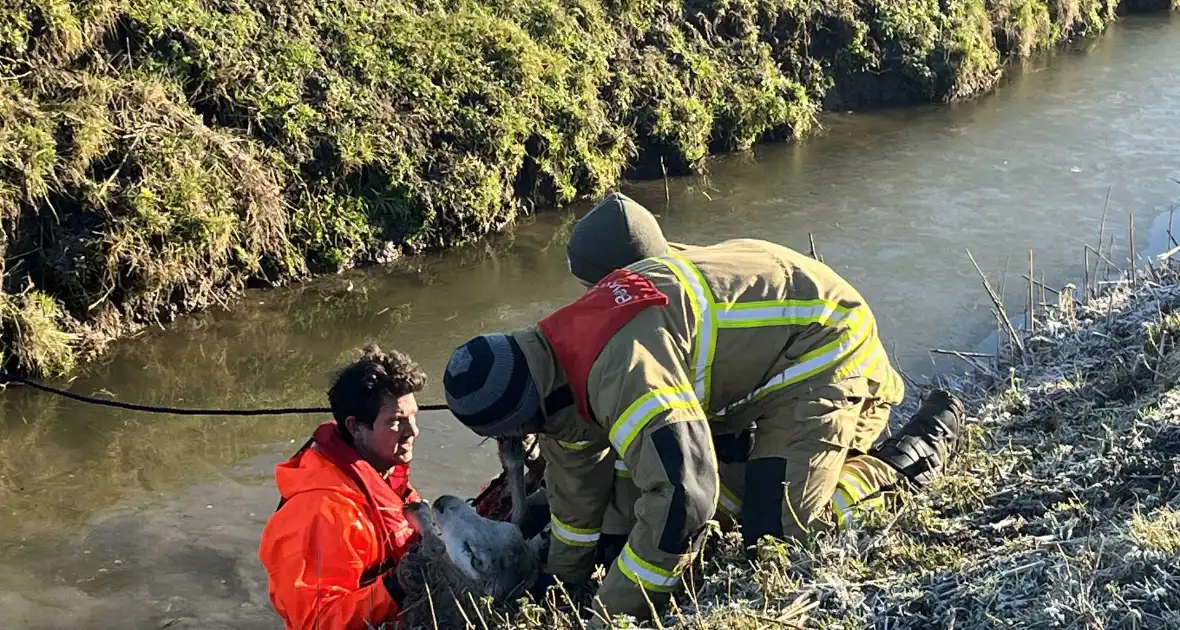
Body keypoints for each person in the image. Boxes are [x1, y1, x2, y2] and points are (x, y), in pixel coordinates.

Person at [441, 238, 966, 622]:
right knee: (692, 493)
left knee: (777, 534)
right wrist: (561, 579)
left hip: (824, 344)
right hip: (765, 351)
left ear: (526, 413)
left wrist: (614, 616)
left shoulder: (621, 370)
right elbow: (578, 489)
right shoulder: (548, 363)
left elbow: (685, 497)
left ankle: (918, 445)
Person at [258, 344, 426, 630]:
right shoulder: (325, 511)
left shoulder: (380, 469)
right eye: (397, 422)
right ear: (355, 426)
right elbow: (316, 621)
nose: (413, 431)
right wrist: (399, 584)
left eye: (413, 416)